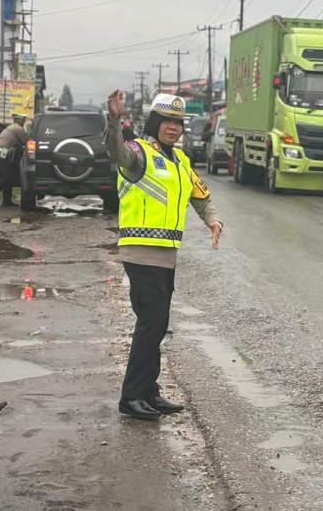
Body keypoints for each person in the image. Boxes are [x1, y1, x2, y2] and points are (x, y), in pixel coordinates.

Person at [105, 90, 223, 421]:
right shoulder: (138, 152)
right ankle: (131, 397)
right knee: (150, 324)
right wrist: (114, 121)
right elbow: (115, 150)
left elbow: (200, 196)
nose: (173, 128)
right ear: (156, 123)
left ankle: (148, 392)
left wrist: (212, 220)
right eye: (167, 121)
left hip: (166, 254)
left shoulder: (181, 161)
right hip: (141, 252)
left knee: (157, 325)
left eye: (178, 123)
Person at [0, 114, 28, 207]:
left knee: (8, 176)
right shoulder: (18, 129)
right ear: (19, 120)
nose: (24, 122)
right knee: (6, 177)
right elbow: (26, 143)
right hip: (1, 153)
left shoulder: (11, 127)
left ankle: (7, 200)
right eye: (23, 120)